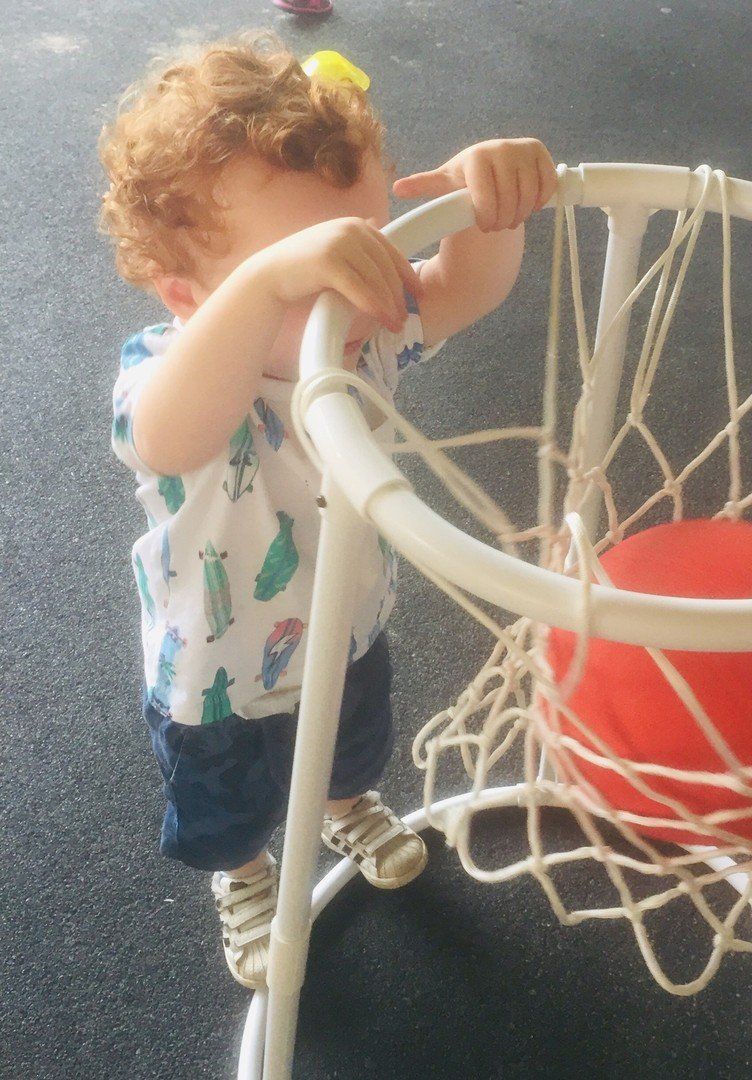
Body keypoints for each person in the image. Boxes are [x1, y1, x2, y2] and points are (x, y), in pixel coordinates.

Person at [99, 34, 557, 988]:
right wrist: (266, 284)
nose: (361, 296)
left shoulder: (363, 336)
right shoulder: (170, 375)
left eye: (369, 248)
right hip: (214, 671)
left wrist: (485, 204)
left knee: (354, 746)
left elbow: (465, 286)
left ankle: (348, 809)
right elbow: (169, 439)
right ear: (187, 297)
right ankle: (243, 875)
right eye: (311, 277)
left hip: (346, 621)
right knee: (227, 804)